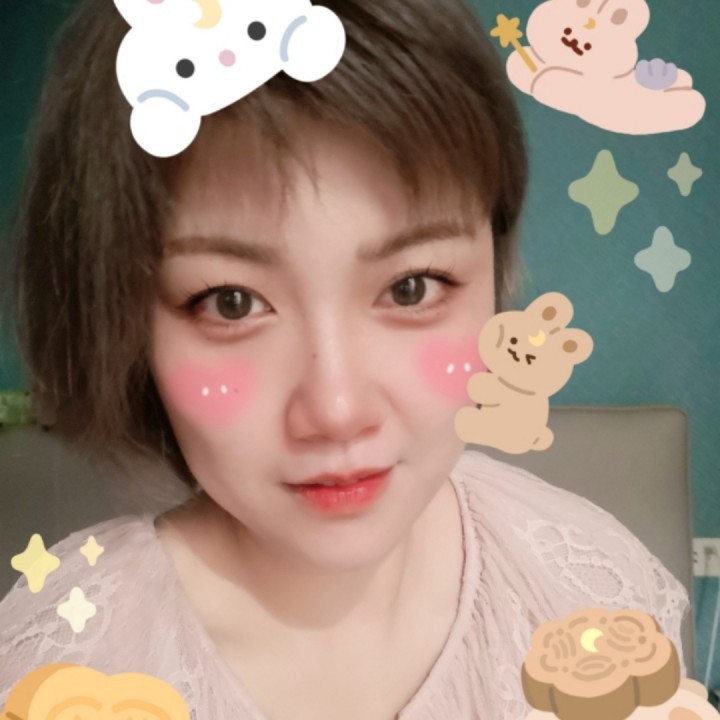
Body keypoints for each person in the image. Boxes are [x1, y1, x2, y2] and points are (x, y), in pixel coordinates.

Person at [0, 0, 690, 718]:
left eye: (412, 287)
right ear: (126, 323)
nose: (337, 410)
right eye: (231, 303)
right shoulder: (66, 669)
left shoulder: (584, 593)